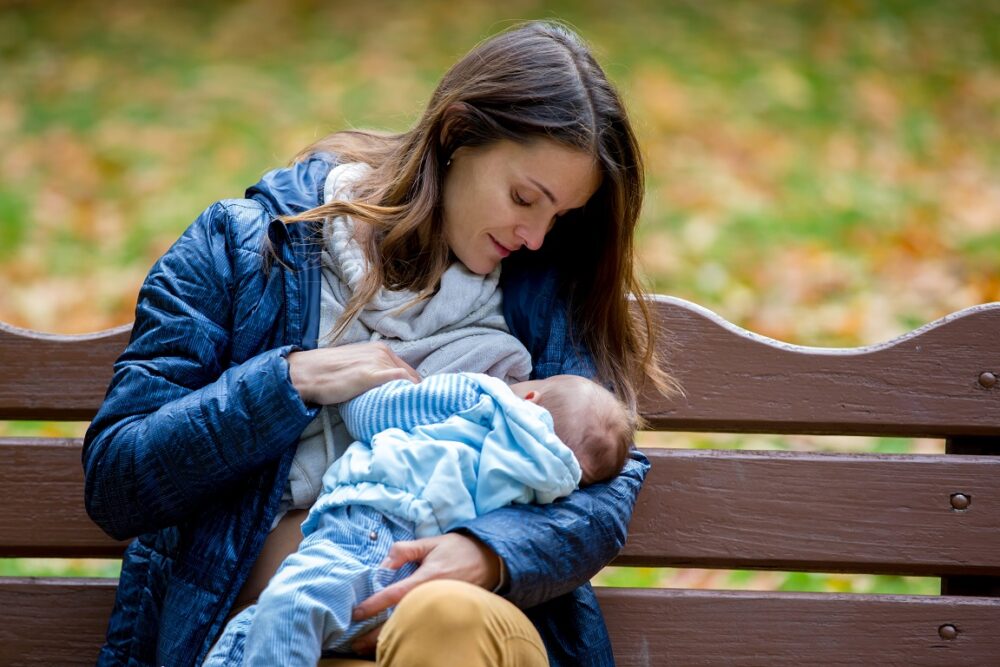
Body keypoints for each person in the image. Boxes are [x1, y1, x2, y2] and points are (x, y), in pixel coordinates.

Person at [82, 20, 675, 667]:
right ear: (456, 134)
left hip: (451, 635)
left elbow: (605, 480)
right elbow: (120, 477)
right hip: (256, 642)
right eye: (524, 197)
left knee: (444, 613)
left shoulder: (538, 292)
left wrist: (487, 549)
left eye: (559, 217)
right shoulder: (244, 249)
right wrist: (290, 380)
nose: (536, 235)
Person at [205, 372, 633, 666]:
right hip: (413, 582)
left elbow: (370, 414)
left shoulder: (481, 397)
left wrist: (355, 385)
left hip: (368, 538)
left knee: (284, 610)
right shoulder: (551, 486)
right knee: (255, 629)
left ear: (530, 396)